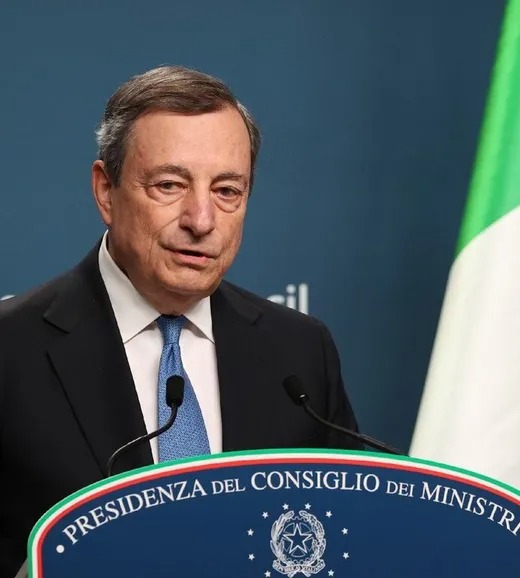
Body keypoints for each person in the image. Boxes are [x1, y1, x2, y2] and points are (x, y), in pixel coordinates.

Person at [0, 65, 363, 576]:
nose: (201, 220)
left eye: (227, 191)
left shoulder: (299, 351)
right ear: (105, 191)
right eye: (170, 185)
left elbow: (348, 539)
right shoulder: (11, 349)